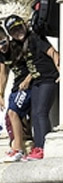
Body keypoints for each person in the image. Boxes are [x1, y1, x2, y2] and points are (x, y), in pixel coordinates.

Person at [6, 15, 59, 160]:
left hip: (47, 78)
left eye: (19, 28)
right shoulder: (20, 45)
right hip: (37, 81)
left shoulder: (35, 38)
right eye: (13, 31)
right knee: (35, 114)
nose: (18, 32)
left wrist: (61, 71)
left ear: (24, 25)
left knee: (41, 112)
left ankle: (43, 147)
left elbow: (53, 53)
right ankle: (37, 147)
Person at [0, 20, 31, 162]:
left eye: (3, 42)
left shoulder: (17, 46)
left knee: (13, 112)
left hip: (28, 85)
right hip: (16, 86)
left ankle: (18, 150)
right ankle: (17, 145)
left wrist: (28, 79)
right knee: (9, 117)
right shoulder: (2, 54)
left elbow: (35, 63)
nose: (2, 47)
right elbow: (3, 74)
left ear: (8, 37)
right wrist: (1, 93)